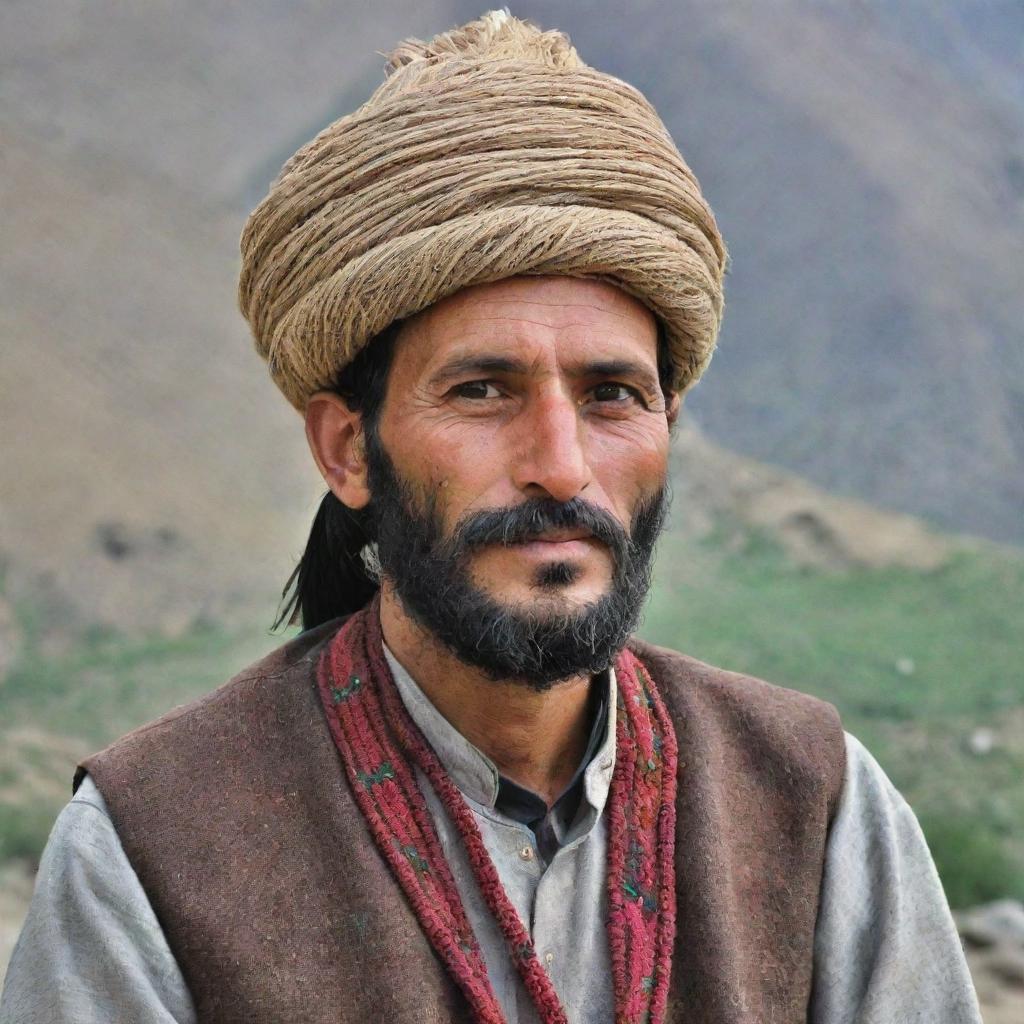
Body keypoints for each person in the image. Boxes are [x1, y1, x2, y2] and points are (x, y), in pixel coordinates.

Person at [1, 11, 981, 1024]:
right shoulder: (156, 847)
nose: (561, 468)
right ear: (347, 449)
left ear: (668, 424)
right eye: (480, 391)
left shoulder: (809, 802)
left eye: (612, 395)